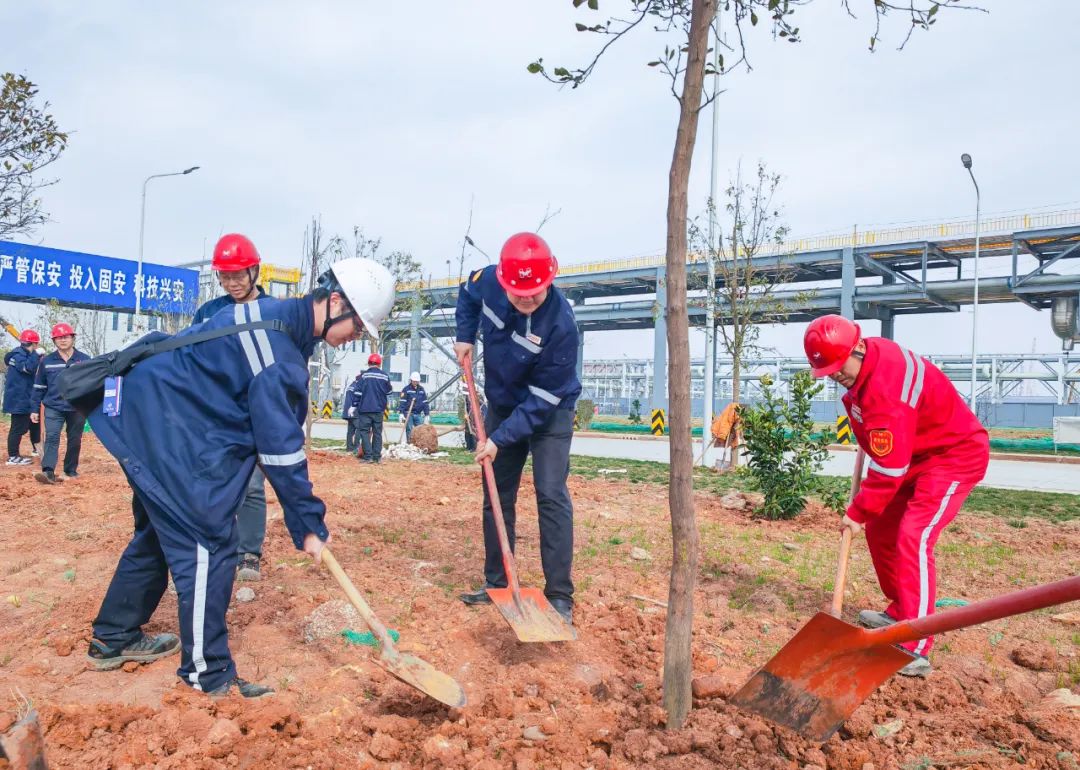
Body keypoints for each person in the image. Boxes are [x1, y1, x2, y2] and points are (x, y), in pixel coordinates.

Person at [86, 257, 396, 698]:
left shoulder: (279, 321)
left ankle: (113, 636)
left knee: (161, 529)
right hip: (161, 425)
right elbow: (280, 452)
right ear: (334, 302)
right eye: (358, 328)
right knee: (209, 541)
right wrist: (307, 525)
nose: (353, 339)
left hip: (147, 412)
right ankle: (207, 676)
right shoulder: (277, 353)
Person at [804, 314, 989, 678]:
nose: (836, 375)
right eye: (830, 371)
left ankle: (916, 640)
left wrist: (857, 511)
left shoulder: (888, 390)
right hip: (911, 454)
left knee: (914, 535)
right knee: (881, 528)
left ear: (857, 347)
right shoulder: (869, 362)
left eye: (840, 367)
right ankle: (903, 610)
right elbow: (887, 451)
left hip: (952, 456)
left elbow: (888, 469)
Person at [454, 232, 581, 625]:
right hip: (503, 405)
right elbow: (466, 294)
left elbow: (543, 400)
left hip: (550, 412)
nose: (526, 299)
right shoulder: (489, 280)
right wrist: (464, 336)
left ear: (549, 280)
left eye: (535, 293)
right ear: (504, 280)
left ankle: (559, 595)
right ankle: (498, 583)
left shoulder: (562, 326)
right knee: (496, 495)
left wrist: (499, 439)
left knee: (550, 493)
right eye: (518, 293)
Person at [191, 234, 271, 582]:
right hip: (213, 410)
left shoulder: (273, 311)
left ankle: (249, 553)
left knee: (251, 485)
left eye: (238, 275)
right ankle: (211, 546)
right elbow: (189, 357)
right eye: (225, 276)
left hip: (253, 412)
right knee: (208, 482)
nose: (231, 283)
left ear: (255, 271)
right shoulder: (209, 313)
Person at [31, 323, 90, 484]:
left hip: (77, 406)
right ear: (54, 341)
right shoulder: (47, 361)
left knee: (75, 438)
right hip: (53, 406)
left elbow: (91, 384)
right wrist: (34, 409)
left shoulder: (84, 360)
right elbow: (39, 386)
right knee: (52, 436)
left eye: (66, 337)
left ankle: (70, 469)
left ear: (72, 338)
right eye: (58, 338)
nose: (62, 340)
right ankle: (48, 471)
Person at [4, 329, 43, 465]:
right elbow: (28, 368)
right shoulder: (18, 355)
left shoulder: (25, 354)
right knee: (18, 428)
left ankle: (36, 449)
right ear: (35, 344)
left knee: (35, 424)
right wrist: (37, 355)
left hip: (28, 397)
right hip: (18, 399)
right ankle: (13, 457)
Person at [354, 353, 392, 464]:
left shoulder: (364, 376)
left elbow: (357, 392)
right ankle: (377, 458)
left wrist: (354, 405)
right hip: (379, 409)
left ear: (369, 363)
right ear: (379, 364)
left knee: (365, 432)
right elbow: (389, 391)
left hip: (365, 409)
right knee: (377, 433)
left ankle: (368, 457)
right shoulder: (384, 376)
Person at [398, 371, 430, 441]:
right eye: (414, 381)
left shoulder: (421, 390)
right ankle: (409, 443)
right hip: (408, 413)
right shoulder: (406, 389)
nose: (415, 382)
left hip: (418, 414)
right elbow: (402, 401)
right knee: (409, 429)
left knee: (420, 429)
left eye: (417, 381)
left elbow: (425, 402)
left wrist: (427, 414)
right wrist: (401, 413)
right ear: (411, 380)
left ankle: (419, 444)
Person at [342, 373, 362, 453]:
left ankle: (349, 447)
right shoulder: (357, 387)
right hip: (354, 411)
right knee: (360, 428)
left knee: (350, 430)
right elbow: (358, 400)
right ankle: (356, 447)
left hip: (347, 411)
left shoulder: (351, 386)